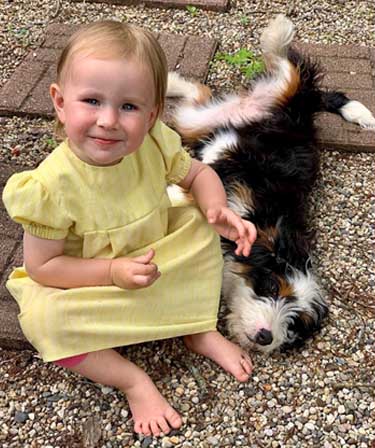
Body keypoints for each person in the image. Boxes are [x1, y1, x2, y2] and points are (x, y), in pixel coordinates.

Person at [3, 21, 257, 436]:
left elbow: (197, 175)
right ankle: (132, 380)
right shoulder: (49, 187)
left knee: (198, 225)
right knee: (46, 323)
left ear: (153, 113)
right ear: (60, 102)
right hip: (90, 282)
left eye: (129, 107)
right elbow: (44, 268)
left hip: (154, 258)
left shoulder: (155, 143)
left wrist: (217, 210)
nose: (108, 120)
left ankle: (197, 328)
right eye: (91, 100)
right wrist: (113, 272)